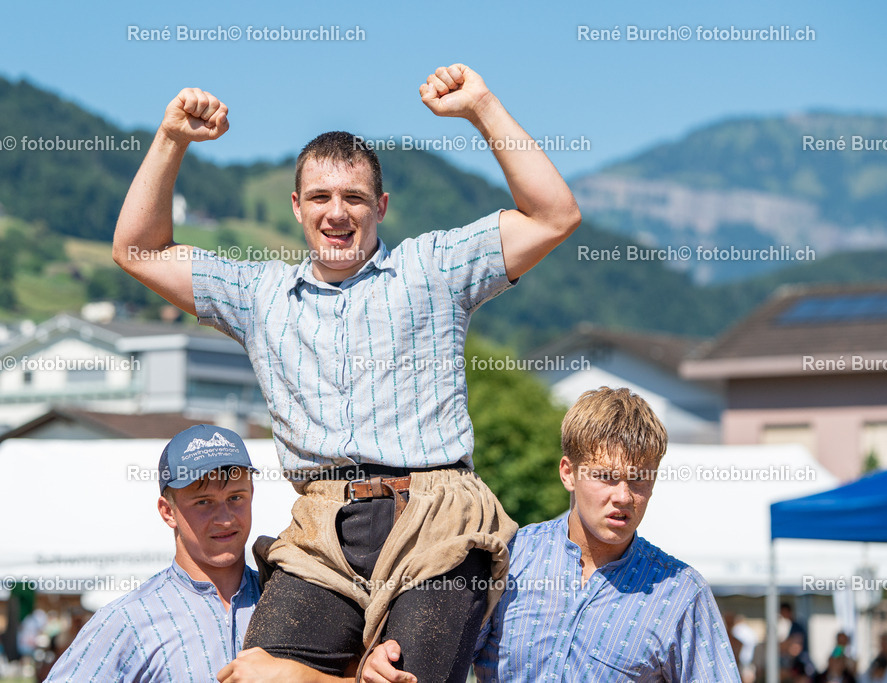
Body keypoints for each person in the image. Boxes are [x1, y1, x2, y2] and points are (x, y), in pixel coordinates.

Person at [113, 62, 581, 681]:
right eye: (321, 198)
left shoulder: (431, 269)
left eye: (354, 197)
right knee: (253, 675)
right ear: (297, 208)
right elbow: (137, 251)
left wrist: (482, 108)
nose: (338, 213)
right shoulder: (261, 293)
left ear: (380, 206)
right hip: (324, 529)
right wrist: (172, 138)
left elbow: (554, 216)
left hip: (437, 517)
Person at [363, 387, 741, 682]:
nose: (624, 496)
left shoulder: (681, 593)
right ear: (568, 473)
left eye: (639, 479)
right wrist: (389, 658)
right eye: (606, 477)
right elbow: (437, 656)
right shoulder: (507, 558)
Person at [44, 424, 359, 682]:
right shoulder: (128, 620)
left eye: (236, 497)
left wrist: (300, 677)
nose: (225, 518)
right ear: (168, 512)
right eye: (203, 502)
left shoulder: (292, 598)